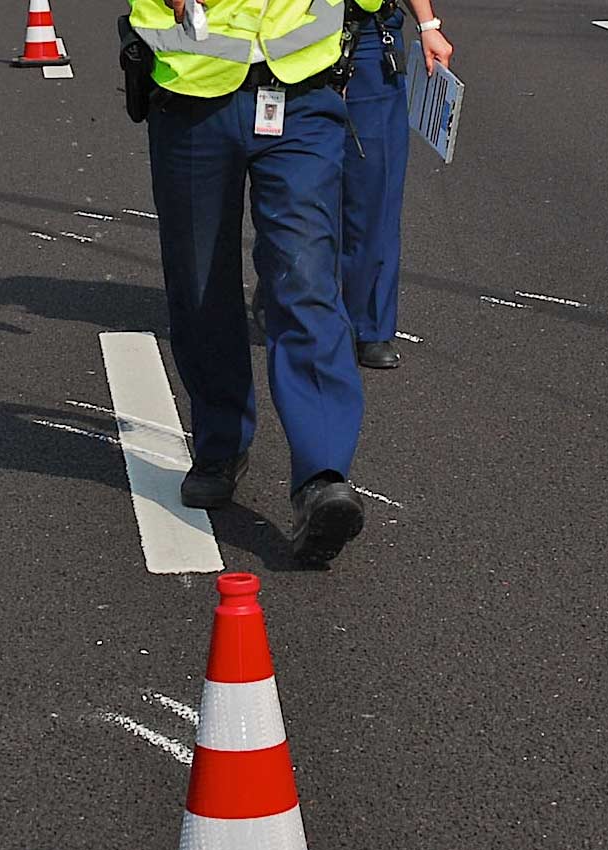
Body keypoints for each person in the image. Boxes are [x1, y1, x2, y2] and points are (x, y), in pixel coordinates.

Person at [131, 0, 385, 563]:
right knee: (199, 284)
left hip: (303, 97)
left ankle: (321, 477)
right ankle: (221, 445)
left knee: (306, 279)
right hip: (194, 96)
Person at [341, 0, 453, 369]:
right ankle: (286, 280)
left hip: (369, 37)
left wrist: (427, 24)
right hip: (290, 38)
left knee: (377, 191)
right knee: (297, 187)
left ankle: (369, 326)